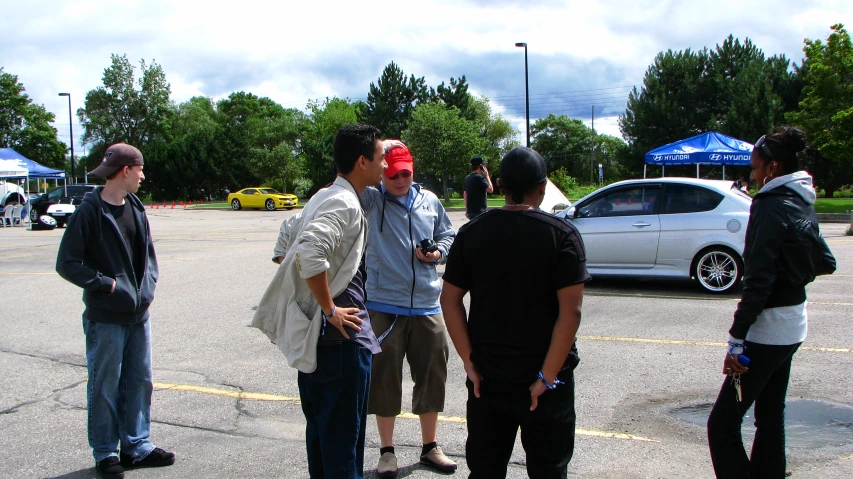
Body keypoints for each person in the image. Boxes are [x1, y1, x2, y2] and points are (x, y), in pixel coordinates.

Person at [440, 147, 590, 479]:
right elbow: (571, 313)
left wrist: (469, 362)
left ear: (502, 186)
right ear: (543, 186)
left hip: (489, 378)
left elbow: (449, 301)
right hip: (547, 382)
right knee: (549, 470)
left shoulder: (472, 233)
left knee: (486, 469)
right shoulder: (562, 235)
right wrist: (546, 378)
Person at [252, 124, 387, 479]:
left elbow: (289, 236)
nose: (386, 165)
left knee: (324, 446)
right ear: (362, 162)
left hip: (321, 345)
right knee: (343, 452)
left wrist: (305, 291)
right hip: (340, 346)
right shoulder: (343, 203)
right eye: (380, 157)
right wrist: (329, 308)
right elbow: (310, 250)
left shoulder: (325, 195)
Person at [707, 127, 836, 479]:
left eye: (754, 167)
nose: (752, 174)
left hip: (768, 331)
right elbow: (826, 261)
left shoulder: (769, 205)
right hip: (795, 324)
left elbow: (758, 280)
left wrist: (736, 338)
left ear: (773, 167)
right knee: (769, 414)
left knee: (721, 424)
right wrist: (790, 276)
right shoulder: (801, 199)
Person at [56, 143, 175, 479]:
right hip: (105, 317)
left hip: (139, 315)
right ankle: (106, 451)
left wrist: (148, 285)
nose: (143, 175)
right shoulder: (90, 211)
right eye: (140, 169)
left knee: (140, 380)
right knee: (105, 384)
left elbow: (148, 256)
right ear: (125, 171)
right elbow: (66, 263)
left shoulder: (135, 207)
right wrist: (104, 284)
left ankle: (137, 446)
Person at [360, 143, 457, 477]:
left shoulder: (429, 200)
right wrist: (379, 146)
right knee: (384, 379)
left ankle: (430, 447)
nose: (399, 179)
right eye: (391, 173)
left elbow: (447, 233)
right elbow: (343, 179)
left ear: (413, 170)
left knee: (432, 377)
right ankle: (387, 452)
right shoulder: (370, 200)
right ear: (381, 173)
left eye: (405, 173)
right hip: (384, 305)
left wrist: (438, 253)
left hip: (427, 305)